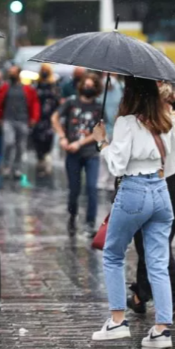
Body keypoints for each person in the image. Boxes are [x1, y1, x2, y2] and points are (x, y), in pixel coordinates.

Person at [90, 76, 175, 349]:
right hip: (161, 191)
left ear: (130, 94)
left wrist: (101, 143)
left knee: (113, 254)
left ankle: (117, 321)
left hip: (134, 190)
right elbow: (173, 162)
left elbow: (117, 165)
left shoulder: (127, 122)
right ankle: (162, 330)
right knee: (158, 262)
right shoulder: (166, 121)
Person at [127, 82, 175, 317]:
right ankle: (140, 294)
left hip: (152, 186)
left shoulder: (146, 120)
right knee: (155, 242)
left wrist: (103, 142)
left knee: (152, 242)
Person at [52, 72, 103, 235]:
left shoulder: (98, 108)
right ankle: (72, 215)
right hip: (72, 154)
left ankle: (90, 222)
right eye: (86, 85)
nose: (88, 88)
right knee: (74, 189)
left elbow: (99, 133)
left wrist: (79, 143)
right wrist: (62, 137)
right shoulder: (71, 102)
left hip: (91, 153)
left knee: (92, 188)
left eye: (91, 86)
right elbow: (55, 118)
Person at [0, 66, 40, 178]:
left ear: (18, 73)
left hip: (23, 120)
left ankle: (17, 168)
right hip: (8, 120)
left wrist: (34, 118)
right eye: (10, 72)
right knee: (8, 142)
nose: (11, 74)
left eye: (13, 72)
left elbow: (34, 103)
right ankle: (6, 166)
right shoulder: (5, 88)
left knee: (21, 146)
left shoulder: (28, 89)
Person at [32, 64, 60, 177]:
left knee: (48, 141)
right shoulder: (36, 85)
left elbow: (57, 102)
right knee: (37, 141)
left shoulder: (54, 86)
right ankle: (40, 162)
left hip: (49, 119)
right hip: (38, 118)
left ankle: (46, 164)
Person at [97, 75, 124, 192]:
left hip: (118, 127)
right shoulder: (100, 90)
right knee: (103, 154)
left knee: (116, 154)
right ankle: (102, 180)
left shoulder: (122, 88)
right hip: (105, 127)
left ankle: (111, 180)